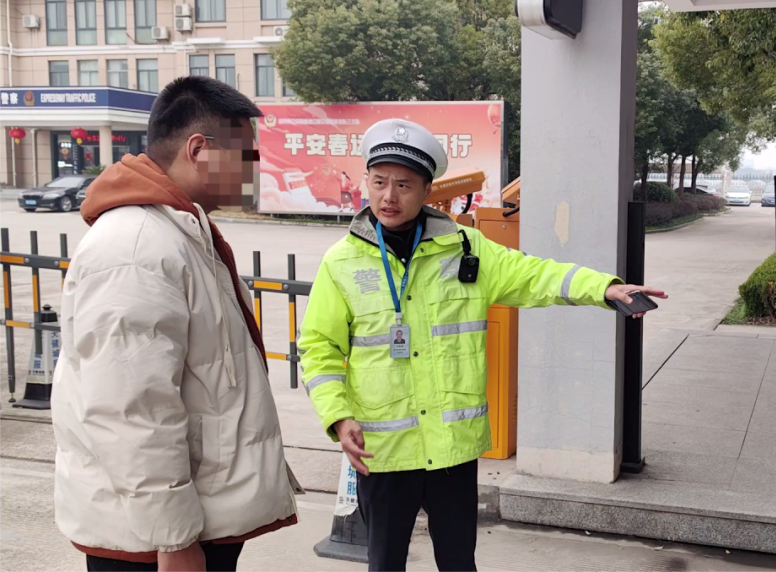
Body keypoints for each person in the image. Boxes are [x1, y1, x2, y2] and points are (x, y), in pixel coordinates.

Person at [299, 118, 665, 571]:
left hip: (452, 449)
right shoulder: (341, 262)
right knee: (385, 563)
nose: (389, 196)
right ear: (366, 183)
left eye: (404, 185)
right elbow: (319, 348)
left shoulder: (466, 249)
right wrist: (337, 416)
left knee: (459, 563)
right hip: (385, 450)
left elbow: (534, 275)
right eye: (379, 182)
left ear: (427, 190)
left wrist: (603, 288)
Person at [51, 76, 299, 572]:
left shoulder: (181, 229)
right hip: (153, 539)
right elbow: (130, 408)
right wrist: (173, 537)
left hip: (193, 515)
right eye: (247, 155)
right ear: (199, 150)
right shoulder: (135, 247)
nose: (255, 169)